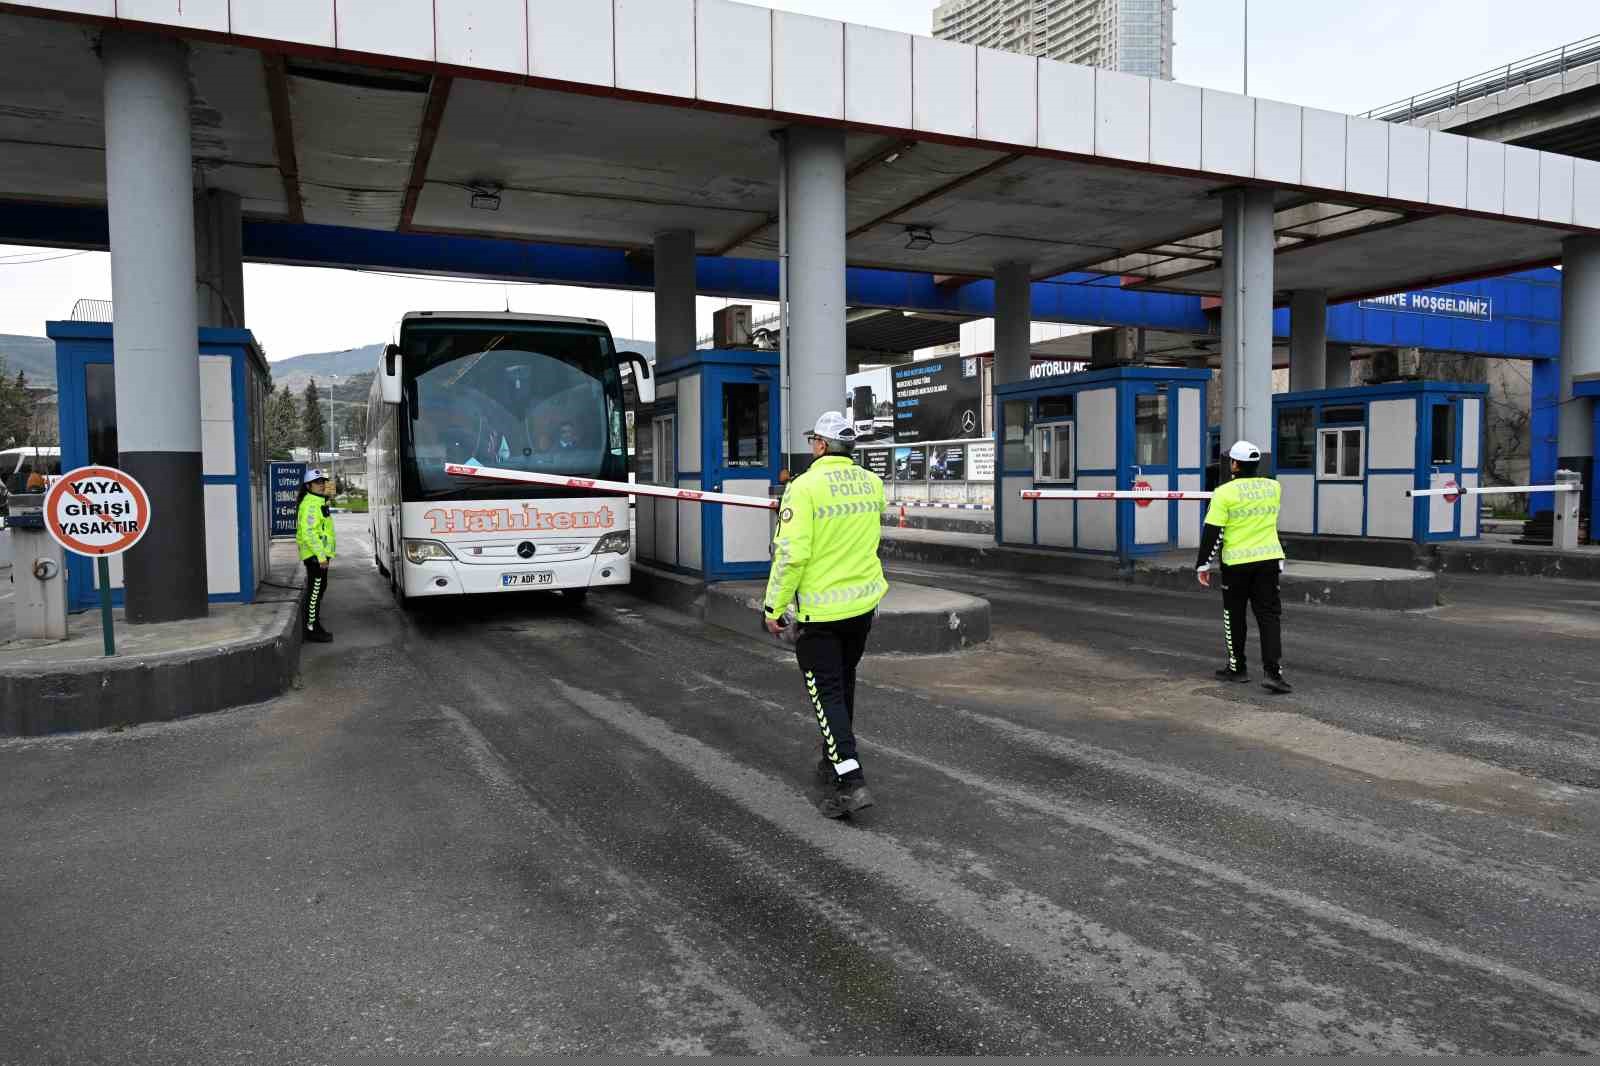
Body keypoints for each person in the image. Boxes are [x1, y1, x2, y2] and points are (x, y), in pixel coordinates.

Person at [763, 411, 889, 818]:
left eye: (813, 441)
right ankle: (833, 761)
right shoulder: (872, 484)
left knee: (827, 693)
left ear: (820, 445)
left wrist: (773, 607)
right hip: (862, 606)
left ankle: (851, 782)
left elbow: (790, 555)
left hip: (821, 612)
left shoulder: (803, 488)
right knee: (843, 682)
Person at [1195, 440, 1291, 693]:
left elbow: (1213, 531)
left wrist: (1203, 564)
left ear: (1234, 464)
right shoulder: (1274, 487)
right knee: (1269, 617)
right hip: (1268, 560)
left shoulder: (1224, 492)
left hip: (1237, 564)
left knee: (1234, 615)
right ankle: (1274, 673)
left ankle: (1237, 668)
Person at [297, 468, 337, 644]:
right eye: (317, 482)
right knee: (314, 594)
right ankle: (311, 629)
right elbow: (309, 533)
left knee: (319, 591)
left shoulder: (319, 501)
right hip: (315, 557)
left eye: (323, 482)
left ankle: (315, 626)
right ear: (308, 486)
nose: (322, 485)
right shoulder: (311, 505)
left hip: (319, 556)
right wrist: (321, 556)